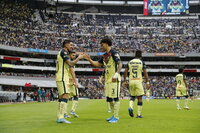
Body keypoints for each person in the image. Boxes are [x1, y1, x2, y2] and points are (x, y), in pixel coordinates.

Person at [84, 38, 122, 123]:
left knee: (115, 98)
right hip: (108, 80)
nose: (101, 46)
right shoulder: (105, 55)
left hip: (114, 79)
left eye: (102, 45)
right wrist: (89, 60)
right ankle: (113, 115)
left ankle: (116, 116)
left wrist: (117, 74)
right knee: (109, 98)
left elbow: (120, 64)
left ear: (106, 44)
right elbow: (97, 64)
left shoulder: (114, 53)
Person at [56, 39, 84, 124]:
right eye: (70, 45)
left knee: (62, 96)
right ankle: (61, 117)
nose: (72, 46)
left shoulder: (62, 52)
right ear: (66, 45)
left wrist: (78, 54)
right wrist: (78, 58)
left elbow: (71, 56)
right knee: (65, 95)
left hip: (60, 76)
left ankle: (60, 116)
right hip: (63, 77)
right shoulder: (64, 52)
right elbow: (71, 64)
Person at [123, 50, 150, 118]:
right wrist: (147, 82)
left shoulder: (130, 62)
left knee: (132, 96)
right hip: (138, 81)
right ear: (141, 55)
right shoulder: (141, 62)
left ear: (135, 55)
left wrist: (125, 81)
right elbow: (145, 73)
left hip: (131, 81)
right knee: (139, 98)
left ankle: (130, 107)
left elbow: (125, 71)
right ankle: (138, 114)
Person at [64, 51, 79, 118]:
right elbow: (72, 72)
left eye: (75, 55)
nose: (74, 56)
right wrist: (75, 82)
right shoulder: (70, 63)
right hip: (71, 82)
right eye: (73, 55)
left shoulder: (66, 62)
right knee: (76, 96)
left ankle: (64, 113)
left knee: (66, 97)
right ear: (69, 55)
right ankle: (72, 110)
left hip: (67, 81)